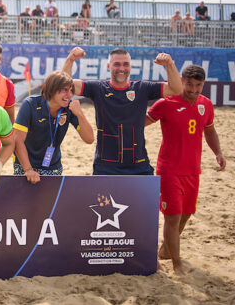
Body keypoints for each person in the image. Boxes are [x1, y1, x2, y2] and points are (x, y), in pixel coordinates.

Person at [145, 65, 226, 274]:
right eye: (189, 84)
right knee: (172, 217)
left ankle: (165, 250)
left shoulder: (206, 104)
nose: (193, 89)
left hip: (192, 170)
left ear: (203, 84)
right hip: (169, 169)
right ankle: (177, 264)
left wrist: (218, 152)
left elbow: (210, 131)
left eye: (198, 85)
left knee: (187, 213)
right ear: (181, 81)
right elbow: (139, 124)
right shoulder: (166, 102)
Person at [61, 46, 181, 175]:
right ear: (108, 66)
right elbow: (65, 85)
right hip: (105, 166)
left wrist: (169, 64)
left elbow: (176, 89)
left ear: (130, 67)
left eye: (126, 64)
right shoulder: (99, 88)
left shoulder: (142, 88)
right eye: (117, 64)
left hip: (138, 165)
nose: (122, 68)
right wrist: (70, 59)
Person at [13, 71, 94, 183]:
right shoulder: (30, 104)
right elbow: (17, 140)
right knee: (25, 195)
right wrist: (28, 169)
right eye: (65, 90)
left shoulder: (69, 108)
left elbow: (89, 139)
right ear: (52, 90)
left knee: (51, 195)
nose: (69, 95)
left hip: (52, 166)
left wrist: (80, 114)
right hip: (26, 163)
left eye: (71, 91)